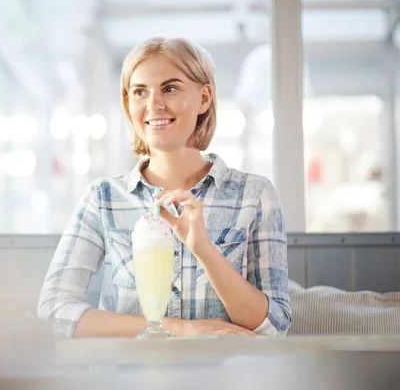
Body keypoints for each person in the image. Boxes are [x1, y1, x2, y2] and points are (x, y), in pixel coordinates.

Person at [37, 37, 291, 338]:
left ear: (204, 98)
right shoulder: (102, 199)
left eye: (170, 88)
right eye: (140, 92)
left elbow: (274, 327)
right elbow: (53, 311)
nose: (154, 105)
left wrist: (204, 250)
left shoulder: (254, 195)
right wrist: (178, 329)